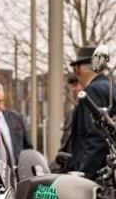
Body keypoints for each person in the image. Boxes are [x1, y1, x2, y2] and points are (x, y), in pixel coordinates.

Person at [69, 45, 116, 179]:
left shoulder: (93, 90)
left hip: (99, 176)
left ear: (78, 69)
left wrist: (85, 175)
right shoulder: (110, 87)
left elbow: (97, 138)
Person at [49, 74, 81, 172]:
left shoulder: (92, 114)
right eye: (72, 86)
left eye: (76, 85)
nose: (74, 90)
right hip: (67, 167)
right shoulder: (72, 114)